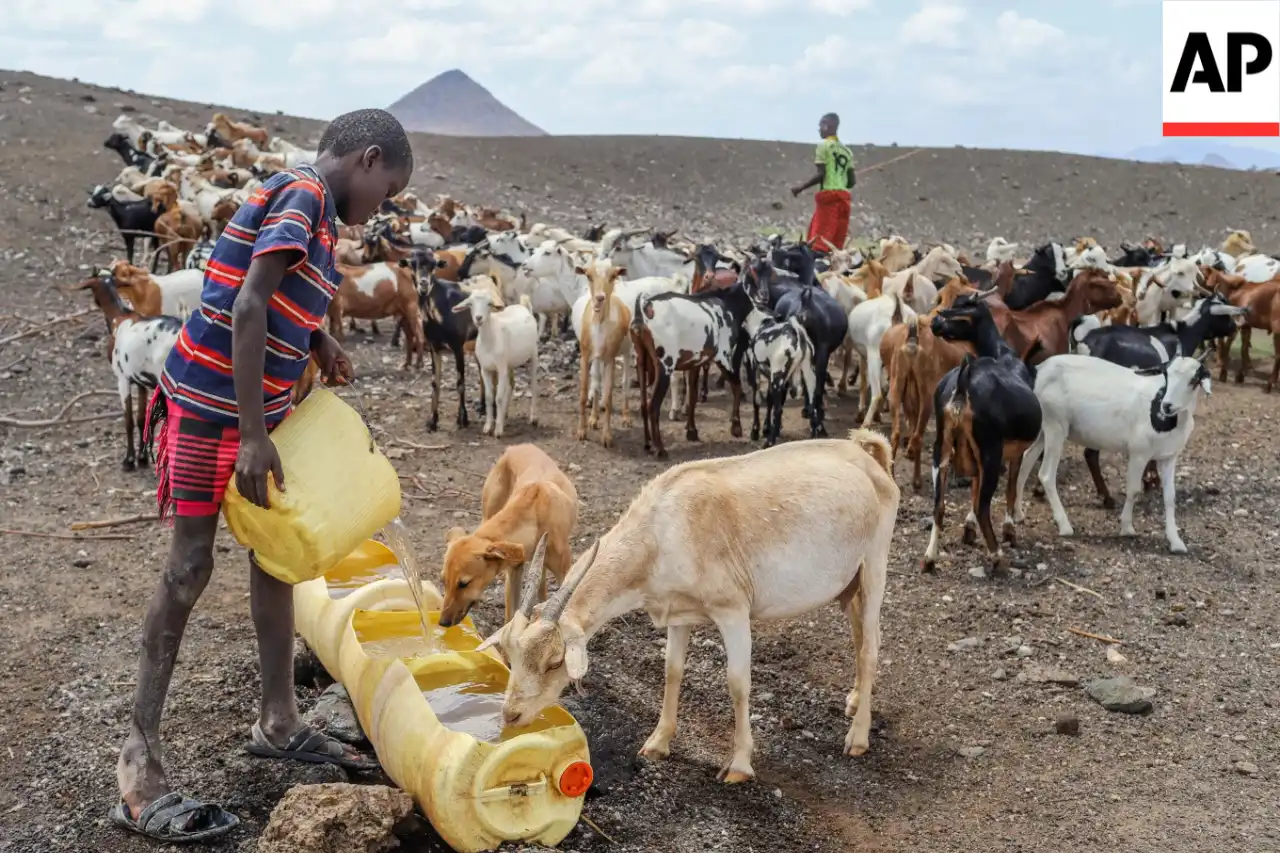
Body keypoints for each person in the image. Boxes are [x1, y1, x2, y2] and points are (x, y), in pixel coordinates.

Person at [111, 109, 414, 843]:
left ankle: (278, 720)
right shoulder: (308, 198)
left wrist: (318, 336)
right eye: (388, 191)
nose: (383, 207)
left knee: (277, 555)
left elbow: (264, 289)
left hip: (251, 410)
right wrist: (252, 434)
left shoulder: (293, 193)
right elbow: (246, 304)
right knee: (187, 568)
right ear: (368, 160)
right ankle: (137, 765)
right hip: (214, 412)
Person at [791, 112, 855, 251]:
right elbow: (851, 182)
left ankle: (817, 269)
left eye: (821, 125)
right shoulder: (847, 151)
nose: (819, 129)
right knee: (835, 243)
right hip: (844, 201)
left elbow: (821, 174)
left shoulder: (823, 146)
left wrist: (800, 187)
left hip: (829, 199)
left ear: (827, 126)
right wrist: (840, 178)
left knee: (818, 242)